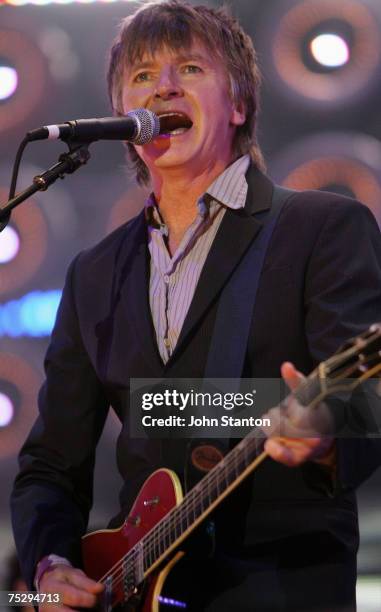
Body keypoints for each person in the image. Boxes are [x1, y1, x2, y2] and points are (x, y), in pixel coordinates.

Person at [10, 1, 381, 610]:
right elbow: (50, 462)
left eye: (189, 69)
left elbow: (368, 395)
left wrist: (326, 429)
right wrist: (50, 565)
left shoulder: (322, 228)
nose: (164, 88)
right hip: (139, 588)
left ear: (238, 106)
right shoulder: (96, 273)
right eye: (142, 76)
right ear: (122, 115)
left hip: (279, 585)